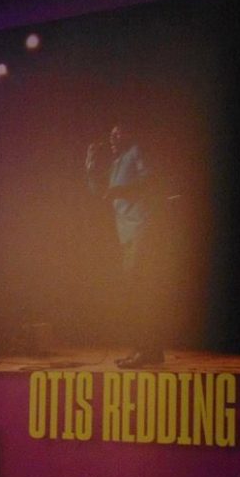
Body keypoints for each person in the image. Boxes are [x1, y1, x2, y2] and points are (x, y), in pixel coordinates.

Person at [86, 123, 164, 368]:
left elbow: (150, 179)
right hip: (127, 233)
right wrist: (90, 166)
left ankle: (144, 350)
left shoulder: (136, 151)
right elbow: (101, 192)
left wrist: (122, 190)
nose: (112, 137)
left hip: (142, 227)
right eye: (111, 134)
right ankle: (151, 351)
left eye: (118, 133)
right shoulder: (116, 162)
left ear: (130, 134)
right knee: (137, 291)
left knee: (136, 290)